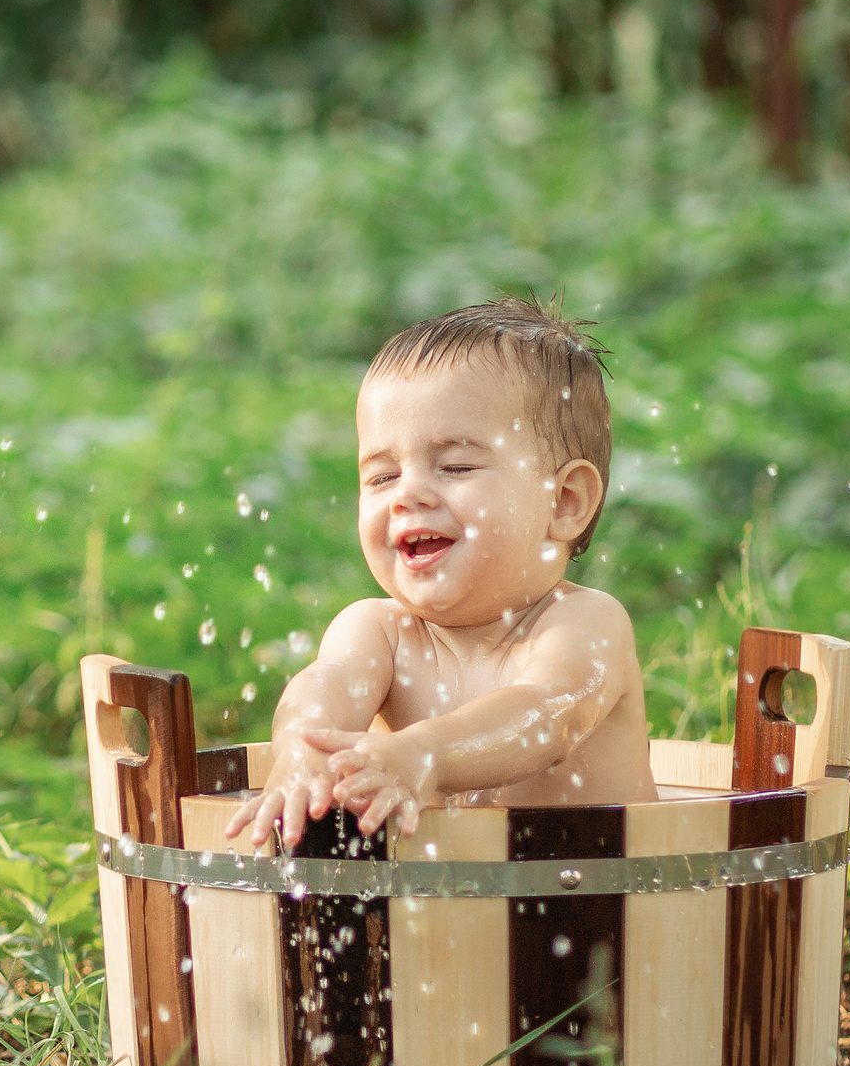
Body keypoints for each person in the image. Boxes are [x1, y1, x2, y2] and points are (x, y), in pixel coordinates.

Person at [226, 296, 652, 851]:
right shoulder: (380, 631)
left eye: (455, 467)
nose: (408, 495)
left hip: (600, 911)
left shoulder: (584, 623)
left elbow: (547, 714)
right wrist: (303, 753)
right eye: (381, 477)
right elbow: (324, 686)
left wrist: (428, 752)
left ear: (565, 501)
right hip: (441, 921)